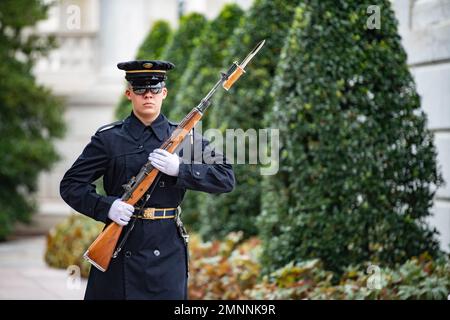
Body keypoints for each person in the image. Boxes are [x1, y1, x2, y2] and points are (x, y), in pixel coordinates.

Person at [60, 60, 235, 300]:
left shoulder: (184, 138)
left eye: (154, 89)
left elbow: (226, 177)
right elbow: (71, 185)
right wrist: (107, 207)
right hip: (122, 246)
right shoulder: (109, 139)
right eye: (140, 89)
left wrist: (180, 170)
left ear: (164, 93)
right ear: (128, 93)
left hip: (166, 251)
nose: (148, 95)